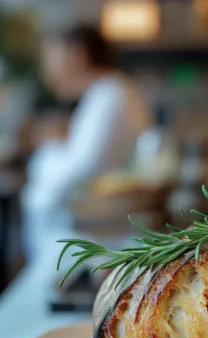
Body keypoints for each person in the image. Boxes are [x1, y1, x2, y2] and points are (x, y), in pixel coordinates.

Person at [22, 24, 152, 263]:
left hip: (91, 236)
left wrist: (46, 154)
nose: (47, 73)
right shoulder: (109, 92)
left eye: (51, 59)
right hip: (91, 231)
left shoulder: (109, 95)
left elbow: (85, 166)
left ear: (78, 56)